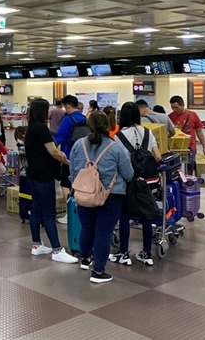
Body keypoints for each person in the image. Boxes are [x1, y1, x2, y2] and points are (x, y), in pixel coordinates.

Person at [69, 111, 134, 284]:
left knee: (87, 229)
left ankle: (85, 260)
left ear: (89, 126)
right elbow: (128, 174)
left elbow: (73, 171)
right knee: (103, 234)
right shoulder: (116, 148)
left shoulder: (78, 145)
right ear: (108, 126)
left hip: (84, 194)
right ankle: (98, 272)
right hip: (111, 197)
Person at [25, 99, 77, 263]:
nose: (50, 112)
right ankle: (57, 249)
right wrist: (68, 162)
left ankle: (36, 245)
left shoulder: (31, 128)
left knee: (36, 209)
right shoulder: (41, 129)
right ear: (41, 111)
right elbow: (53, 151)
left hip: (34, 175)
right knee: (49, 212)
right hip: (43, 176)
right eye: (47, 109)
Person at [111, 102, 162, 267]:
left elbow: (117, 161)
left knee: (124, 215)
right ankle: (146, 253)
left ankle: (124, 253)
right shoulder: (148, 132)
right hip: (147, 182)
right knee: (146, 215)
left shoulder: (118, 136)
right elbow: (158, 156)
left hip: (127, 182)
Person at [53, 95, 87, 224]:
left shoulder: (68, 119)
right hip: (85, 158)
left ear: (68, 106)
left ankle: (70, 213)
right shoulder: (84, 118)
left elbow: (59, 137)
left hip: (69, 158)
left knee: (65, 184)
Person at [169, 96, 205, 173]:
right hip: (175, 148)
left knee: (189, 168)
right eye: (172, 108)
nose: (174, 110)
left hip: (190, 148)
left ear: (182, 105)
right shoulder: (170, 117)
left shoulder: (193, 115)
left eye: (176, 107)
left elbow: (199, 132)